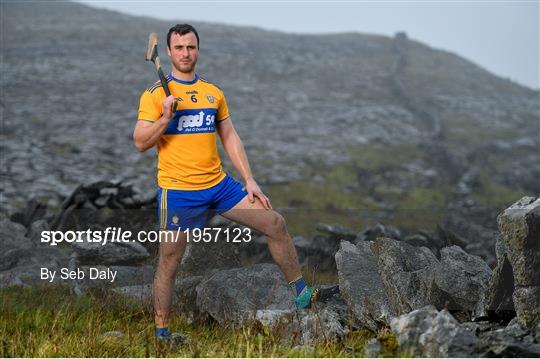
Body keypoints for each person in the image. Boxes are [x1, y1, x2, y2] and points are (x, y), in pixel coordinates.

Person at [133, 24, 316, 341]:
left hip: (219, 186)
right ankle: (162, 331)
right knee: (170, 260)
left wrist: (249, 179)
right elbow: (140, 142)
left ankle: (301, 294)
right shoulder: (154, 95)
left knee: (275, 223)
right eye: (179, 48)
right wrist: (165, 118)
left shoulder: (213, 93)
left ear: (198, 50)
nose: (185, 53)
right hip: (179, 191)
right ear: (168, 52)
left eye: (190, 47)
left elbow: (229, 136)